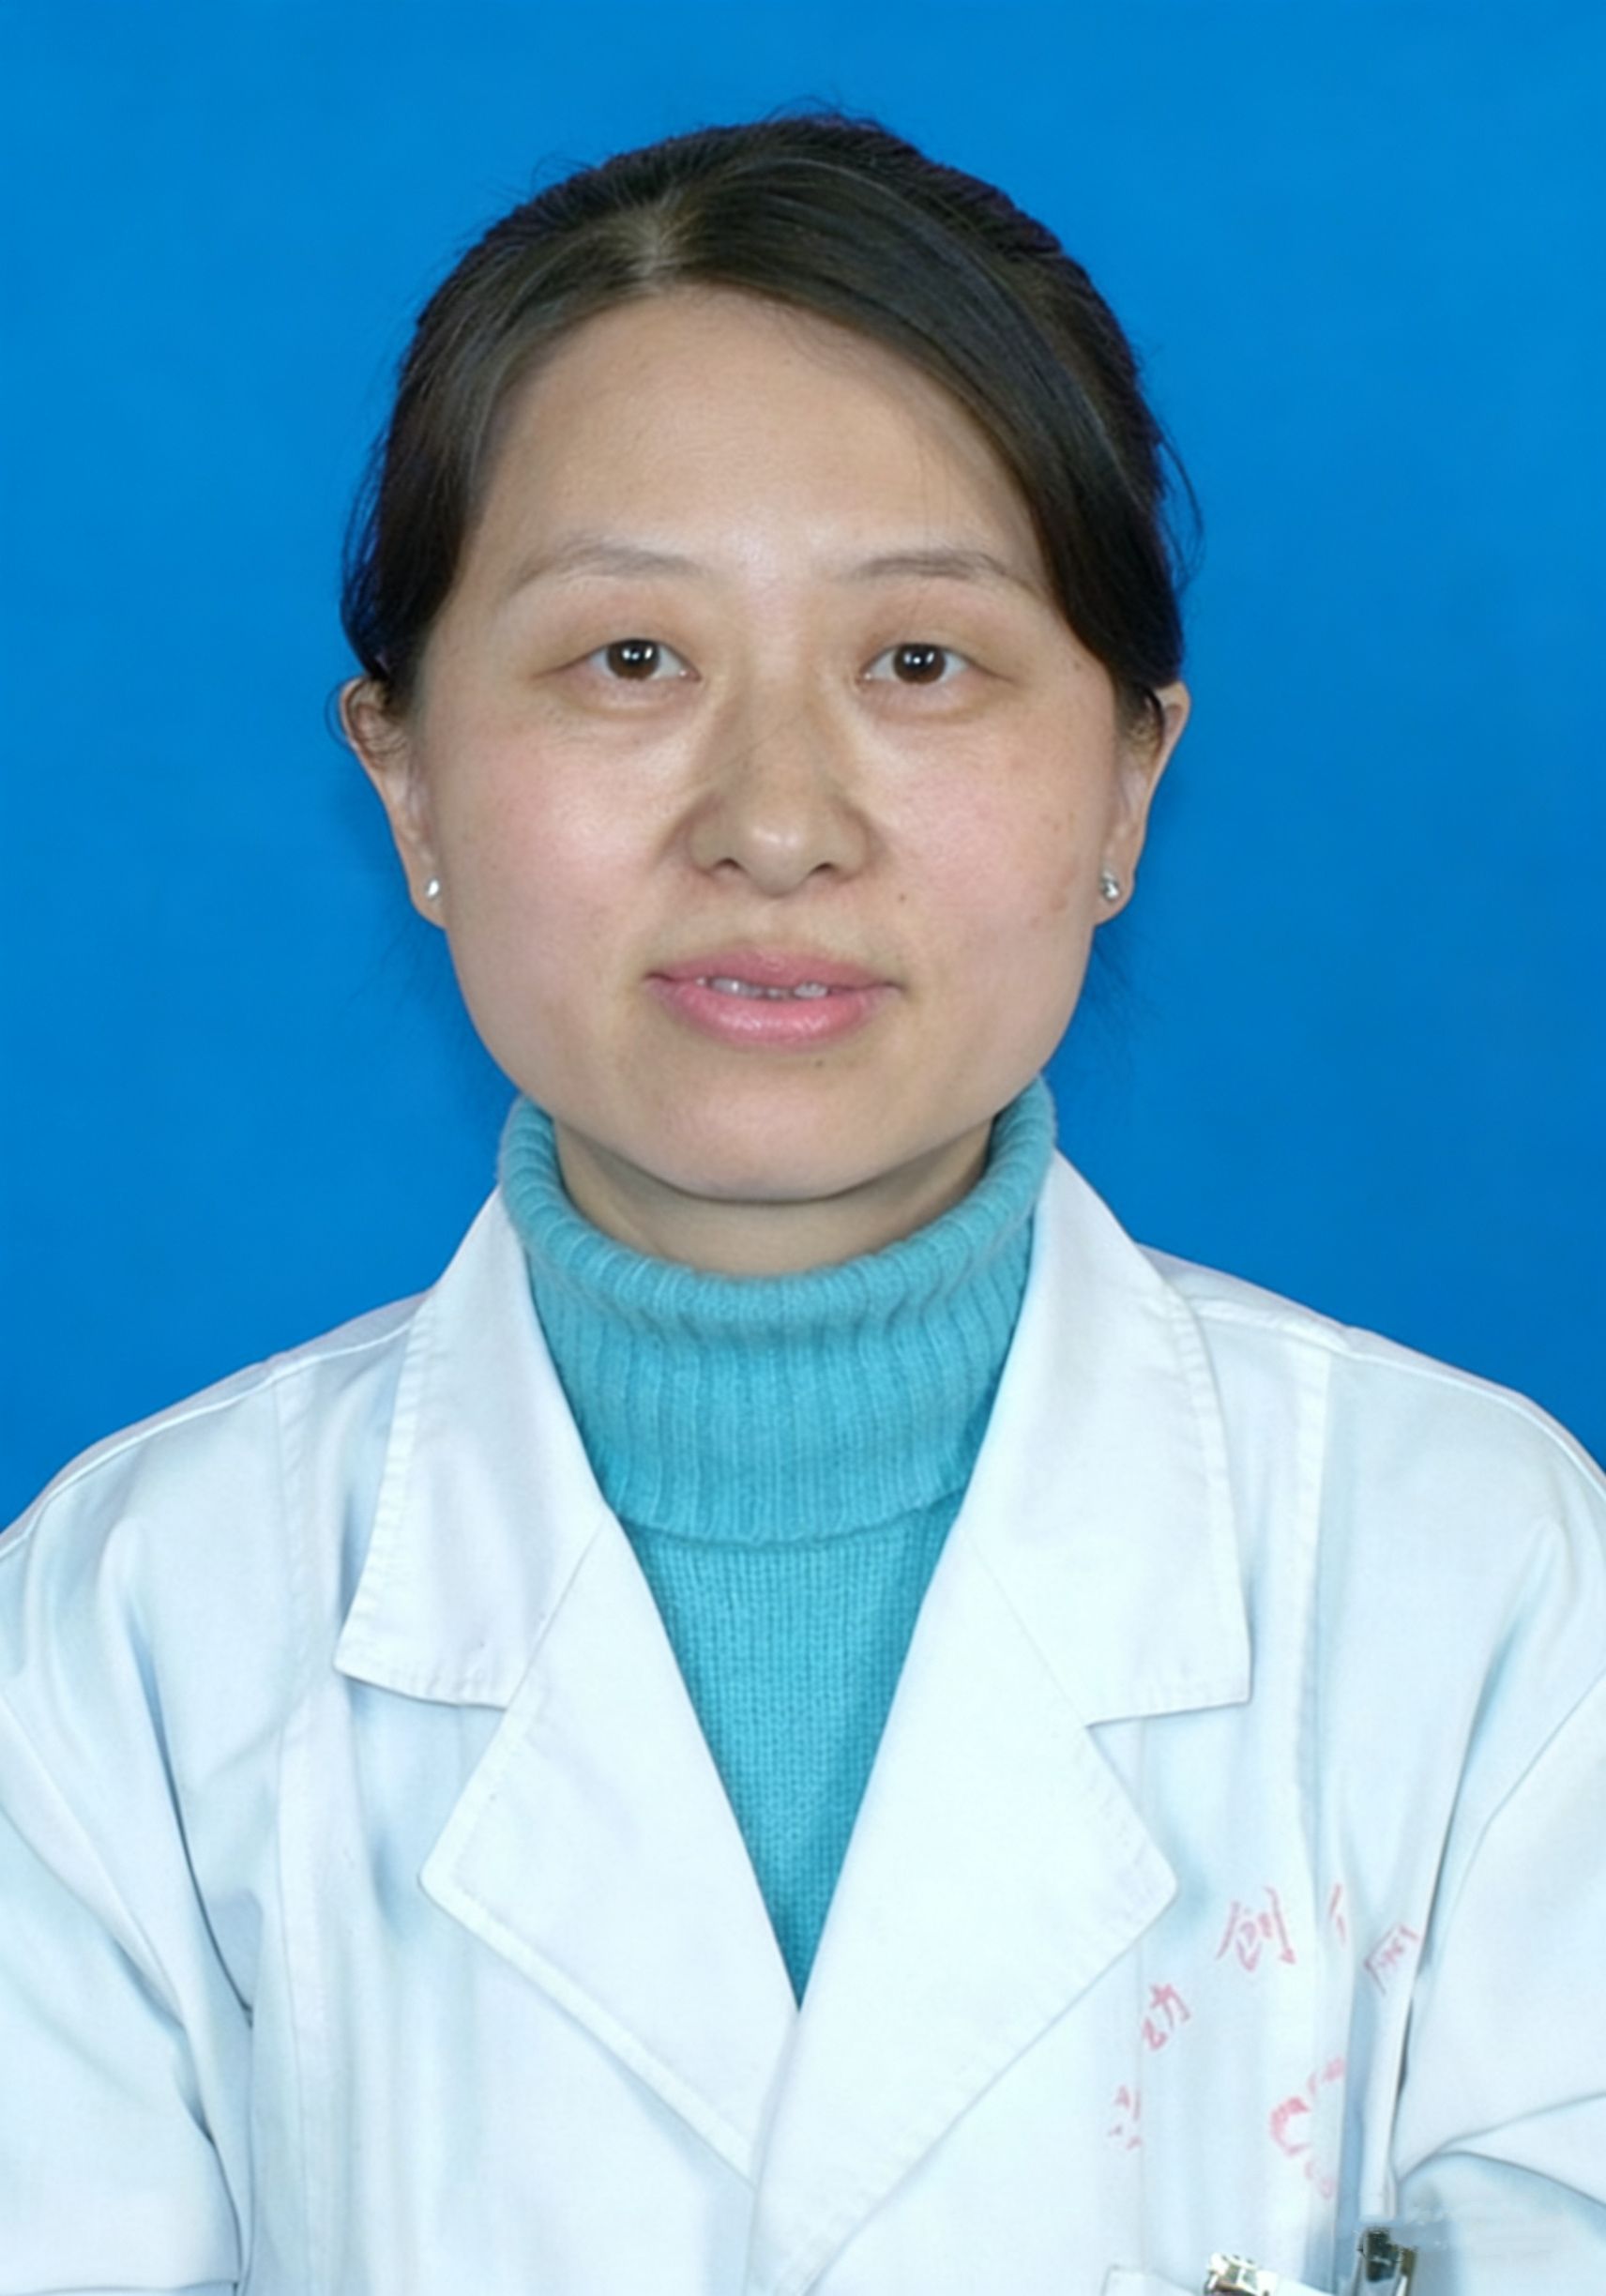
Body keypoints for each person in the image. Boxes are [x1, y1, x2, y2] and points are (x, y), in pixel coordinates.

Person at [1, 109, 1602, 2296]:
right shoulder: (115, 1645)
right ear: (409, 780)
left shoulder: (1491, 1590)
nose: (775, 821)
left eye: (919, 663)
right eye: (630, 661)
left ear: (1128, 784)